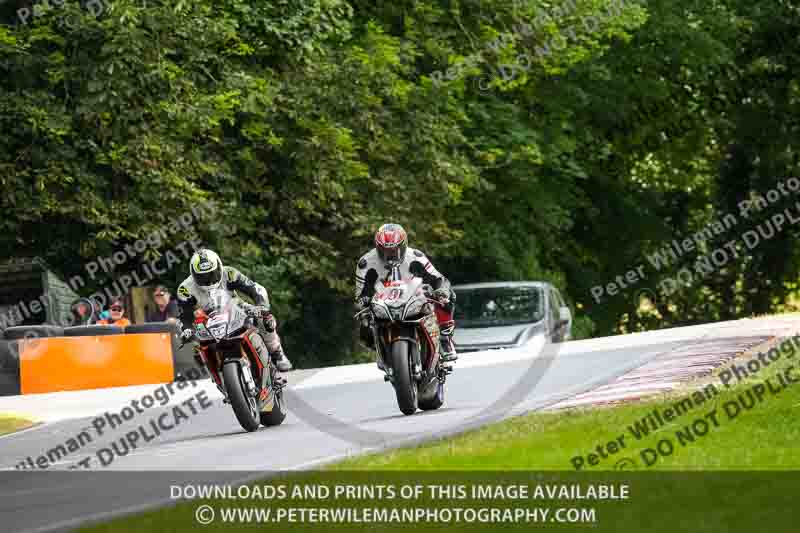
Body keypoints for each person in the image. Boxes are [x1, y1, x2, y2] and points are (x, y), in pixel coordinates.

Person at [354, 223, 458, 364]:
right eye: (384, 251)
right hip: (384, 303)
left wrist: (441, 291)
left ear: (403, 246)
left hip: (413, 298)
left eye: (394, 250)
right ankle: (380, 348)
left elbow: (439, 279)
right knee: (364, 321)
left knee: (446, 294)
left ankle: (445, 339)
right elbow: (360, 293)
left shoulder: (415, 256)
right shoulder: (365, 263)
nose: (389, 255)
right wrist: (363, 302)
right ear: (377, 247)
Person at [176, 249, 292, 372]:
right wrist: (187, 329)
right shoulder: (185, 289)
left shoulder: (229, 273)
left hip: (237, 308)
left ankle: (277, 353)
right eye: (202, 277)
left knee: (266, 319)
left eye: (212, 274)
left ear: (219, 267)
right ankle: (211, 369)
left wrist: (261, 306)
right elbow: (184, 315)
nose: (208, 280)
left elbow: (255, 289)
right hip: (207, 319)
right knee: (195, 348)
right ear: (193, 275)